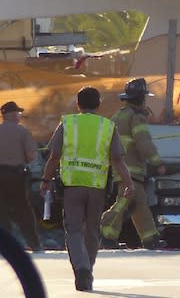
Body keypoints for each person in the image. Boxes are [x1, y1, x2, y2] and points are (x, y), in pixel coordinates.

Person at [40, 87, 134, 291]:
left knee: (73, 229)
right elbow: (117, 159)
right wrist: (128, 183)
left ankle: (81, 268)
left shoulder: (68, 123)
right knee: (92, 230)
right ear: (99, 105)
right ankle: (88, 270)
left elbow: (54, 156)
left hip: (72, 185)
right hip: (97, 187)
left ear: (78, 104)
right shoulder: (108, 126)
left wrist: (45, 179)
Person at [100, 78, 167, 250]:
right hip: (131, 169)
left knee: (139, 203)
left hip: (120, 168)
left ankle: (150, 238)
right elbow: (143, 142)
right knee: (126, 200)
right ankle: (105, 232)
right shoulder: (136, 118)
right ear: (140, 99)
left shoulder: (117, 116)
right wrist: (157, 162)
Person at [0, 101, 43, 252]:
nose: (19, 115)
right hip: (16, 175)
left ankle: (4, 246)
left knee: (1, 211)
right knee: (23, 210)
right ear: (11, 114)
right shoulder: (22, 131)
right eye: (17, 113)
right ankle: (34, 244)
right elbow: (31, 155)